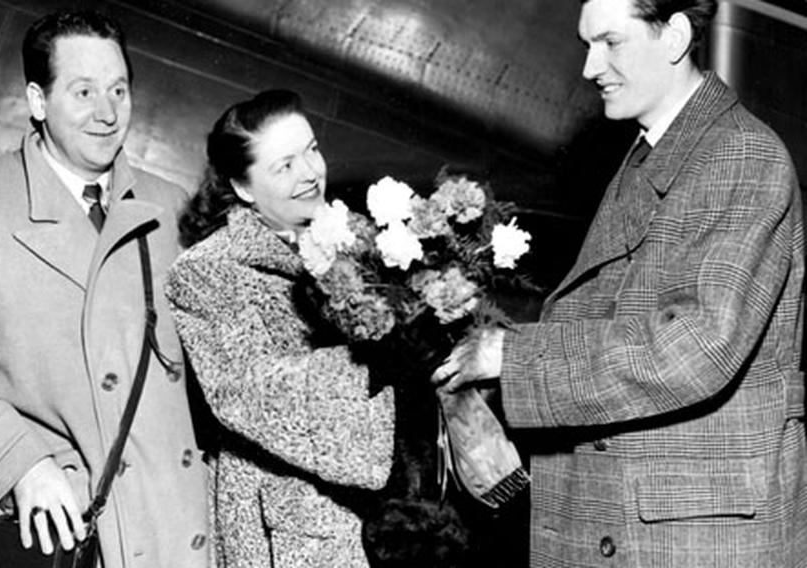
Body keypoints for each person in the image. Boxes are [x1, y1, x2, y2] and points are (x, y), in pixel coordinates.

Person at [433, 0, 806, 566]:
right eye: (587, 44)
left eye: (610, 42)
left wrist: (514, 357)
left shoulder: (739, 155)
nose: (589, 67)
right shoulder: (654, 153)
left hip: (685, 540)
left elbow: (693, 347)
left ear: (676, 35)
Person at [0, 10, 212, 568]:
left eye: (119, 89)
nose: (108, 113)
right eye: (84, 91)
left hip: (176, 524)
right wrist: (18, 464)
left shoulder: (169, 208)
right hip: (74, 528)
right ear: (39, 101)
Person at [166, 89, 395, 567]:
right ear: (244, 187)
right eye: (284, 165)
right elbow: (251, 391)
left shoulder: (353, 243)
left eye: (312, 149)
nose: (310, 172)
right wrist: (384, 370)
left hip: (375, 521)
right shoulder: (208, 271)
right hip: (283, 533)